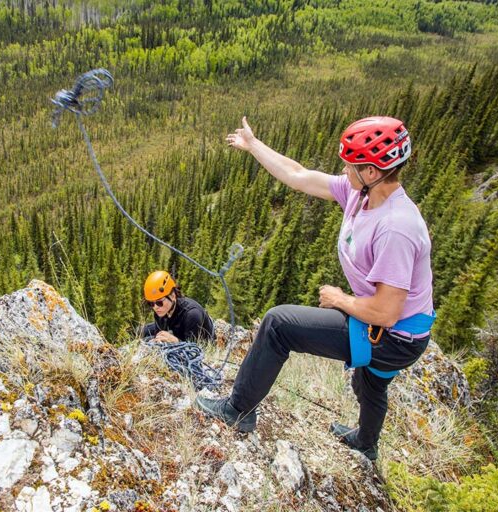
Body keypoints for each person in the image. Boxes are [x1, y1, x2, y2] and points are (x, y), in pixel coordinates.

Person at [195, 116, 434, 461]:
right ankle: (366, 444)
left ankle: (238, 410)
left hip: (394, 335)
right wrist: (253, 145)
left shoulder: (397, 227)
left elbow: (387, 312)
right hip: (397, 330)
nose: (344, 169)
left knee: (279, 325)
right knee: (370, 381)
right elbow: (298, 175)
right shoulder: (360, 193)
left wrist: (340, 299)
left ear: (371, 172)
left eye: (350, 164)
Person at [141, 270, 215, 343]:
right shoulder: (161, 311)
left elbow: (194, 350)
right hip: (175, 331)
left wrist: (176, 341)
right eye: (151, 303)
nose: (155, 307)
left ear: (173, 296)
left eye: (159, 302)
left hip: (193, 338)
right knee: (140, 332)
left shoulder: (192, 314)